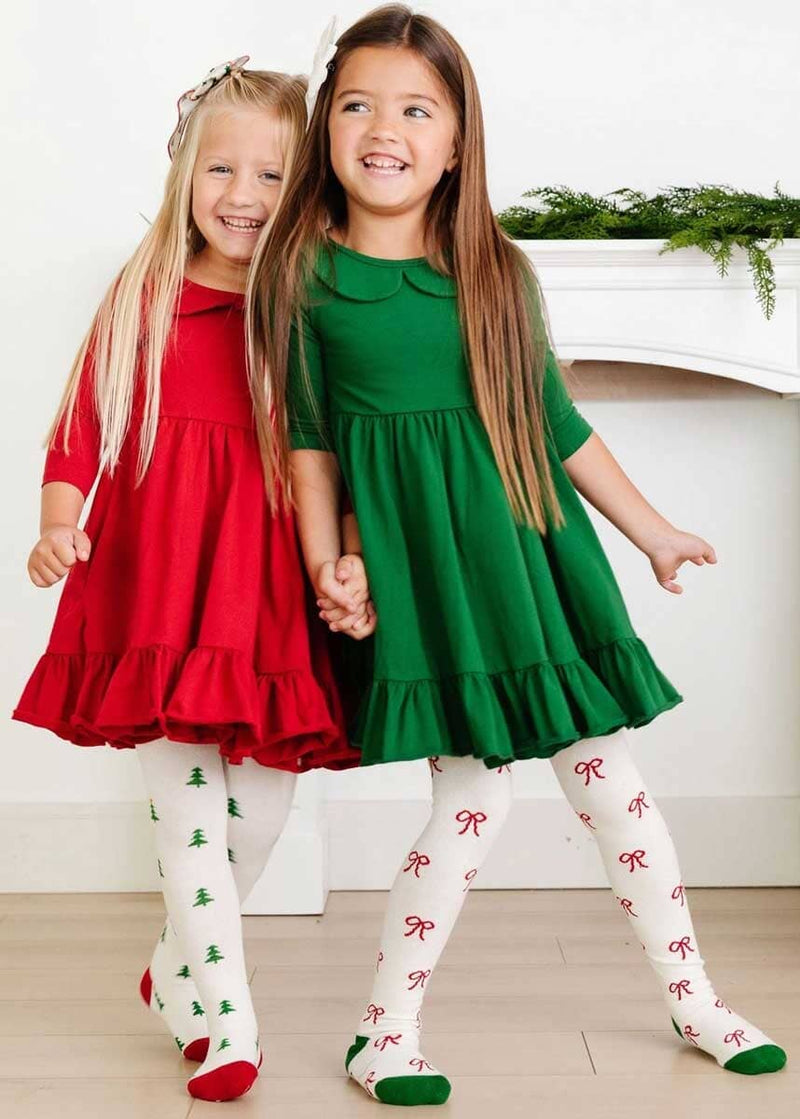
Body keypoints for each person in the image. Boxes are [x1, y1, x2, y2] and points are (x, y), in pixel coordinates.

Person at [250, 5, 787, 1106]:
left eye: (416, 109)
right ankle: (383, 1032)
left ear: (456, 142)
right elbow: (308, 442)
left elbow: (555, 424)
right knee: (472, 802)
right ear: (325, 129)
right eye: (356, 105)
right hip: (434, 586)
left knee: (614, 791)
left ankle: (693, 999)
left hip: (533, 570)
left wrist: (652, 533)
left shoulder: (495, 271)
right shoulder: (302, 276)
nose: (384, 129)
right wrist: (328, 561)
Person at [13, 58, 370, 1103]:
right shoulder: (144, 297)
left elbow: (347, 454)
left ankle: (175, 968)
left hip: (267, 584)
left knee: (262, 809)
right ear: (184, 174)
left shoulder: (312, 308)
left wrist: (347, 554)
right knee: (190, 814)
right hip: (155, 580)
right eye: (221, 169)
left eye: (271, 175)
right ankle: (229, 1026)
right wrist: (57, 525)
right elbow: (79, 426)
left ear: (305, 188)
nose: (242, 195)